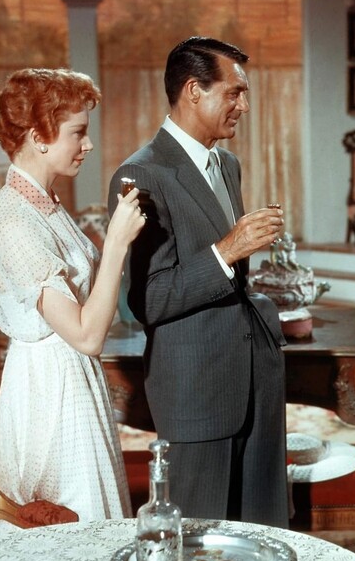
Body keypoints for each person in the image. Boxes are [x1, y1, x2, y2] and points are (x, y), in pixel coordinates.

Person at [109, 36, 289, 528]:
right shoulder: (141, 173)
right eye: (235, 93)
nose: (244, 106)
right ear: (193, 90)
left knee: (260, 536)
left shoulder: (227, 164)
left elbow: (228, 280)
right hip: (196, 392)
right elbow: (149, 299)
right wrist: (228, 250)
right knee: (197, 540)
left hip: (255, 380)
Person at [0, 68, 146, 522]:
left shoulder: (43, 203)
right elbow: (87, 336)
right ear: (39, 137)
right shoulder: (13, 222)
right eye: (78, 132)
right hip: (49, 393)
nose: (87, 145)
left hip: (71, 378)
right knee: (68, 529)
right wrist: (116, 242)